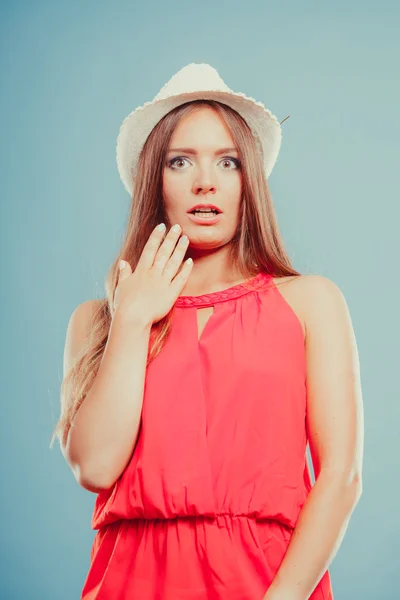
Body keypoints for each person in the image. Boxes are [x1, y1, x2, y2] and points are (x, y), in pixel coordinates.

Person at [50, 63, 363, 599]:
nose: (205, 181)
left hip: (269, 582)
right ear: (155, 179)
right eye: (180, 161)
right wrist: (132, 319)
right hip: (132, 583)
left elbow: (341, 477)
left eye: (228, 161)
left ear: (250, 181)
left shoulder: (310, 302)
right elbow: (97, 467)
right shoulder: (98, 320)